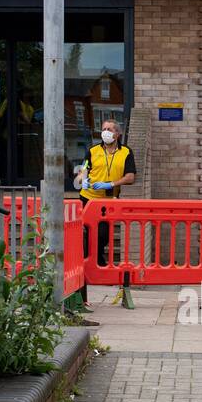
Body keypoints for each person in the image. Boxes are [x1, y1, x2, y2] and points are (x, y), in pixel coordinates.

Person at [73, 120, 135, 307]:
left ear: (117, 134)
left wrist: (111, 184)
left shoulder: (126, 152)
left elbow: (131, 177)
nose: (105, 132)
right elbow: (83, 170)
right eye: (104, 129)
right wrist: (82, 179)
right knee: (85, 235)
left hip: (108, 200)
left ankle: (96, 259)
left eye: (109, 129)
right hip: (88, 198)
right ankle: (92, 265)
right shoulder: (93, 151)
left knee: (103, 236)